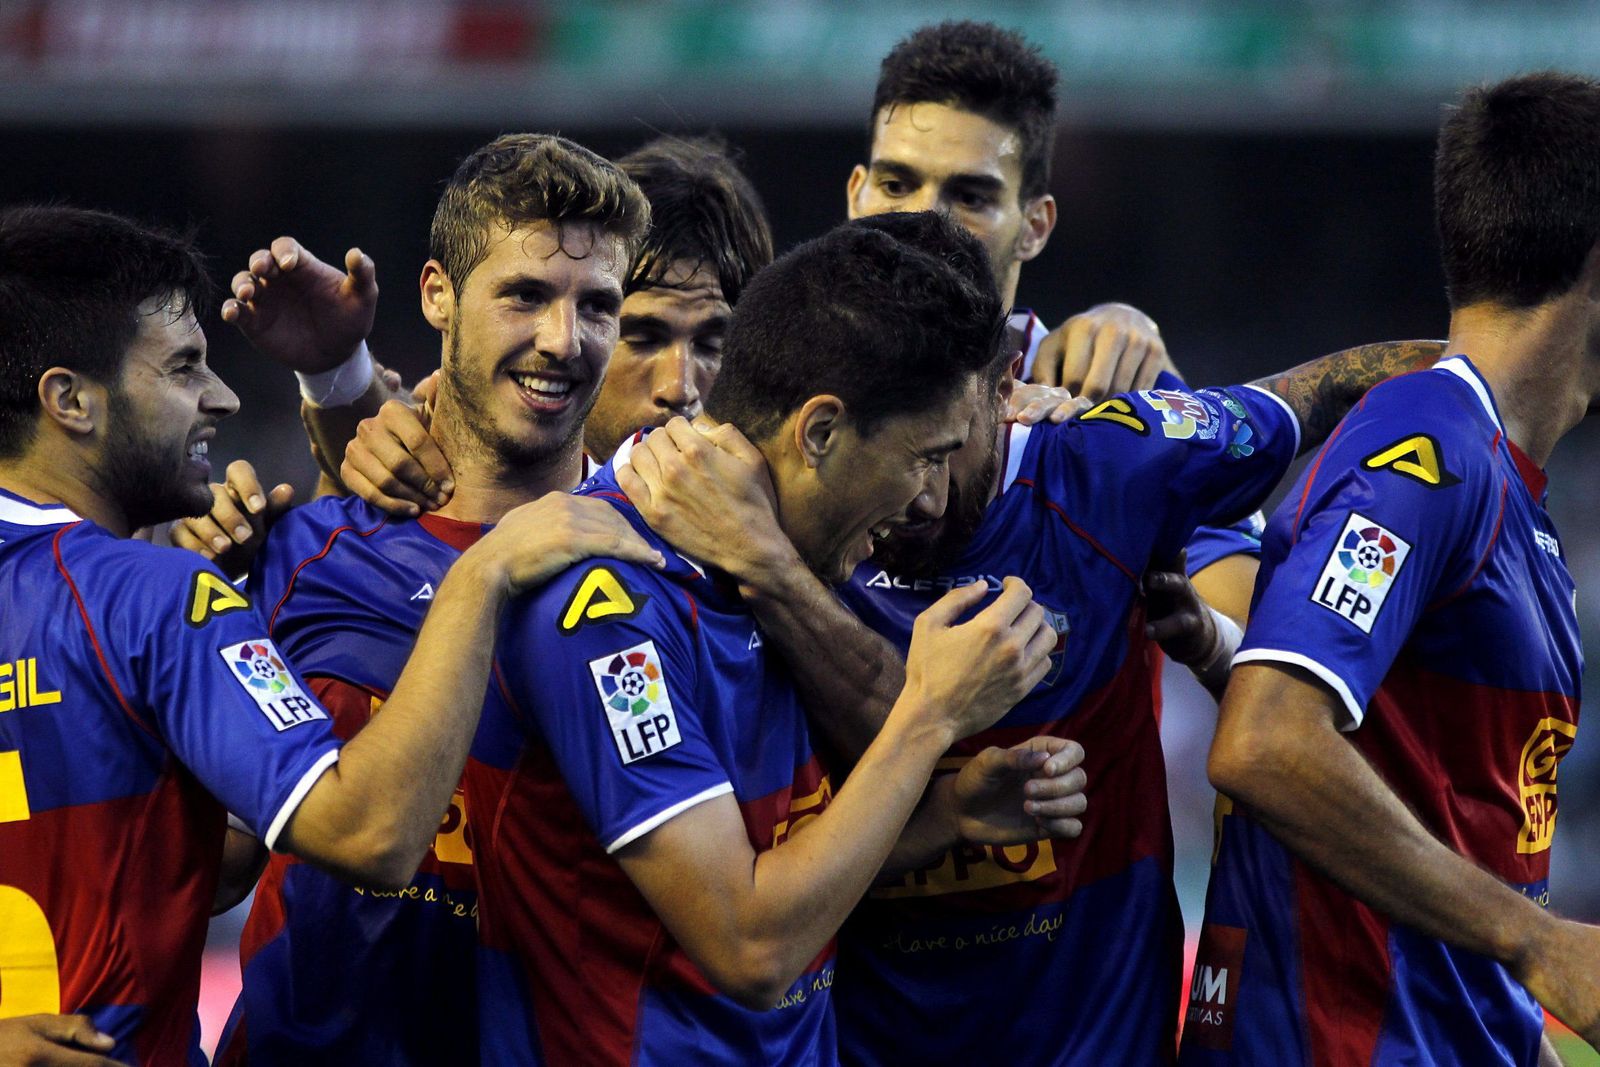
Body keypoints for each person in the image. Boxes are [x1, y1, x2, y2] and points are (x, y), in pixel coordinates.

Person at [0, 204, 659, 1065]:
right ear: (70, 401)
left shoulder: (161, 589)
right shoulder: (159, 596)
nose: (223, 397)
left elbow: (211, 868)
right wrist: (485, 569)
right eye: (185, 367)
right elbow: (372, 836)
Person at [468, 213, 1087, 1065]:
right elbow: (749, 945)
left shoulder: (780, 569)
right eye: (922, 456)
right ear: (821, 432)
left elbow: (779, 853)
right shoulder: (608, 603)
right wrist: (930, 716)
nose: (929, 500)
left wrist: (946, 813)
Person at [206, 133, 660, 1067]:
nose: (562, 341)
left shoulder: (666, 565)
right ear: (437, 296)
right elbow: (217, 865)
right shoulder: (304, 550)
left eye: (598, 305)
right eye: (526, 294)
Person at [1184, 71, 1600, 1065]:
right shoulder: (1424, 448)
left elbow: (1453, 831)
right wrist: (1538, 940)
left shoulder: (1500, 483)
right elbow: (1265, 740)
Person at [844, 20, 1267, 623]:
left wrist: (1178, 408)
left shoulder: (1112, 401)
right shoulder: (778, 401)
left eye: (971, 197)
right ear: (856, 196)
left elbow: (1257, 643)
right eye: (896, 183)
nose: (923, 222)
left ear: (1035, 225)